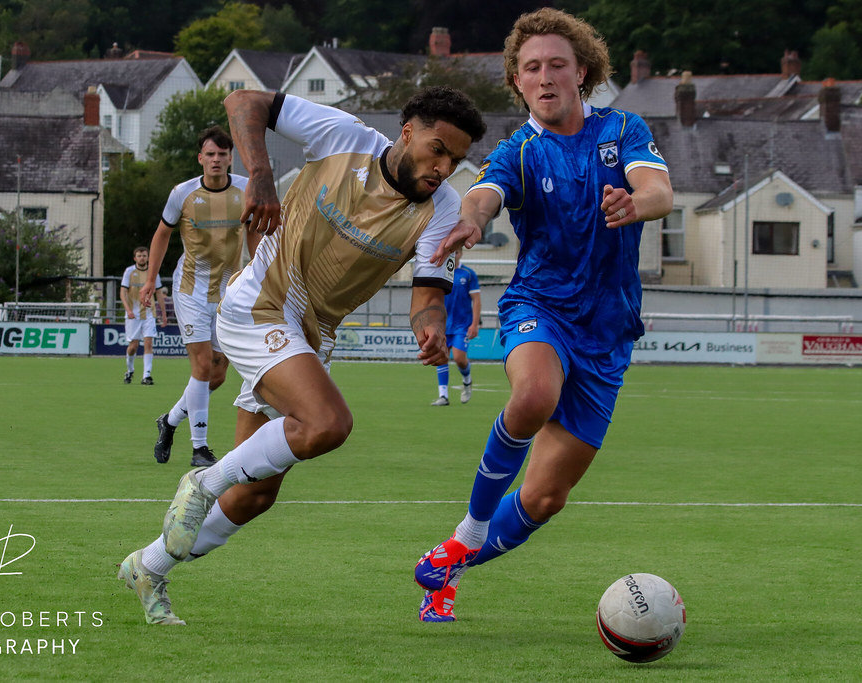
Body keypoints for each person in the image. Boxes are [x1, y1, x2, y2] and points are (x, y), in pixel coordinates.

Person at [117, 86, 486, 625]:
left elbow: (428, 297)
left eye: (454, 160)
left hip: (315, 335)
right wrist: (261, 175)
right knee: (328, 423)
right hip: (261, 303)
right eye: (437, 150)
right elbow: (245, 101)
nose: (443, 167)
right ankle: (201, 480)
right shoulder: (345, 137)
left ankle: (148, 567)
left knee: (256, 495)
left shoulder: (443, 209)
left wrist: (429, 330)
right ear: (407, 132)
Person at [413, 7, 673, 622]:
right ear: (518, 82)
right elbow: (483, 194)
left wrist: (637, 203)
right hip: (541, 306)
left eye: (558, 64)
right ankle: (472, 530)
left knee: (545, 496)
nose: (546, 75)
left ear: (582, 72)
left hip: (609, 333)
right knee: (532, 395)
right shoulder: (519, 151)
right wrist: (472, 219)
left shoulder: (622, 129)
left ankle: (447, 564)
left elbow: (660, 189)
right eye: (532, 68)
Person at [139, 126, 261, 467]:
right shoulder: (183, 194)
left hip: (228, 292)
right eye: (210, 154)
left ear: (230, 158)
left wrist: (260, 276)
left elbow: (253, 234)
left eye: (223, 154)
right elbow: (162, 234)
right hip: (190, 290)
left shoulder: (246, 189)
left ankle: (170, 420)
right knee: (203, 367)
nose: (217, 160)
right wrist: (151, 281)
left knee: (218, 374)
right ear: (200, 159)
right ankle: (200, 448)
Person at [431, 249, 481, 406]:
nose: (454, 254)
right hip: (442, 324)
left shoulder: (468, 274)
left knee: (459, 358)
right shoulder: (439, 273)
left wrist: (474, 324)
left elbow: (476, 300)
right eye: (451, 252)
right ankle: (443, 396)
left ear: (461, 254)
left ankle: (467, 381)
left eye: (457, 252)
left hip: (461, 325)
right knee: (441, 357)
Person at [120, 246, 166, 385]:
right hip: (133, 314)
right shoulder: (129, 271)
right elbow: (123, 292)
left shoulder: (153, 272)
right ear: (135, 258)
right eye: (139, 256)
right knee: (133, 346)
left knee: (148, 343)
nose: (142, 258)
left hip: (149, 313)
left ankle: (146, 375)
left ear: (148, 257)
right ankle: (130, 370)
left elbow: (158, 293)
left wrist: (163, 314)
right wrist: (128, 310)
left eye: (144, 255)